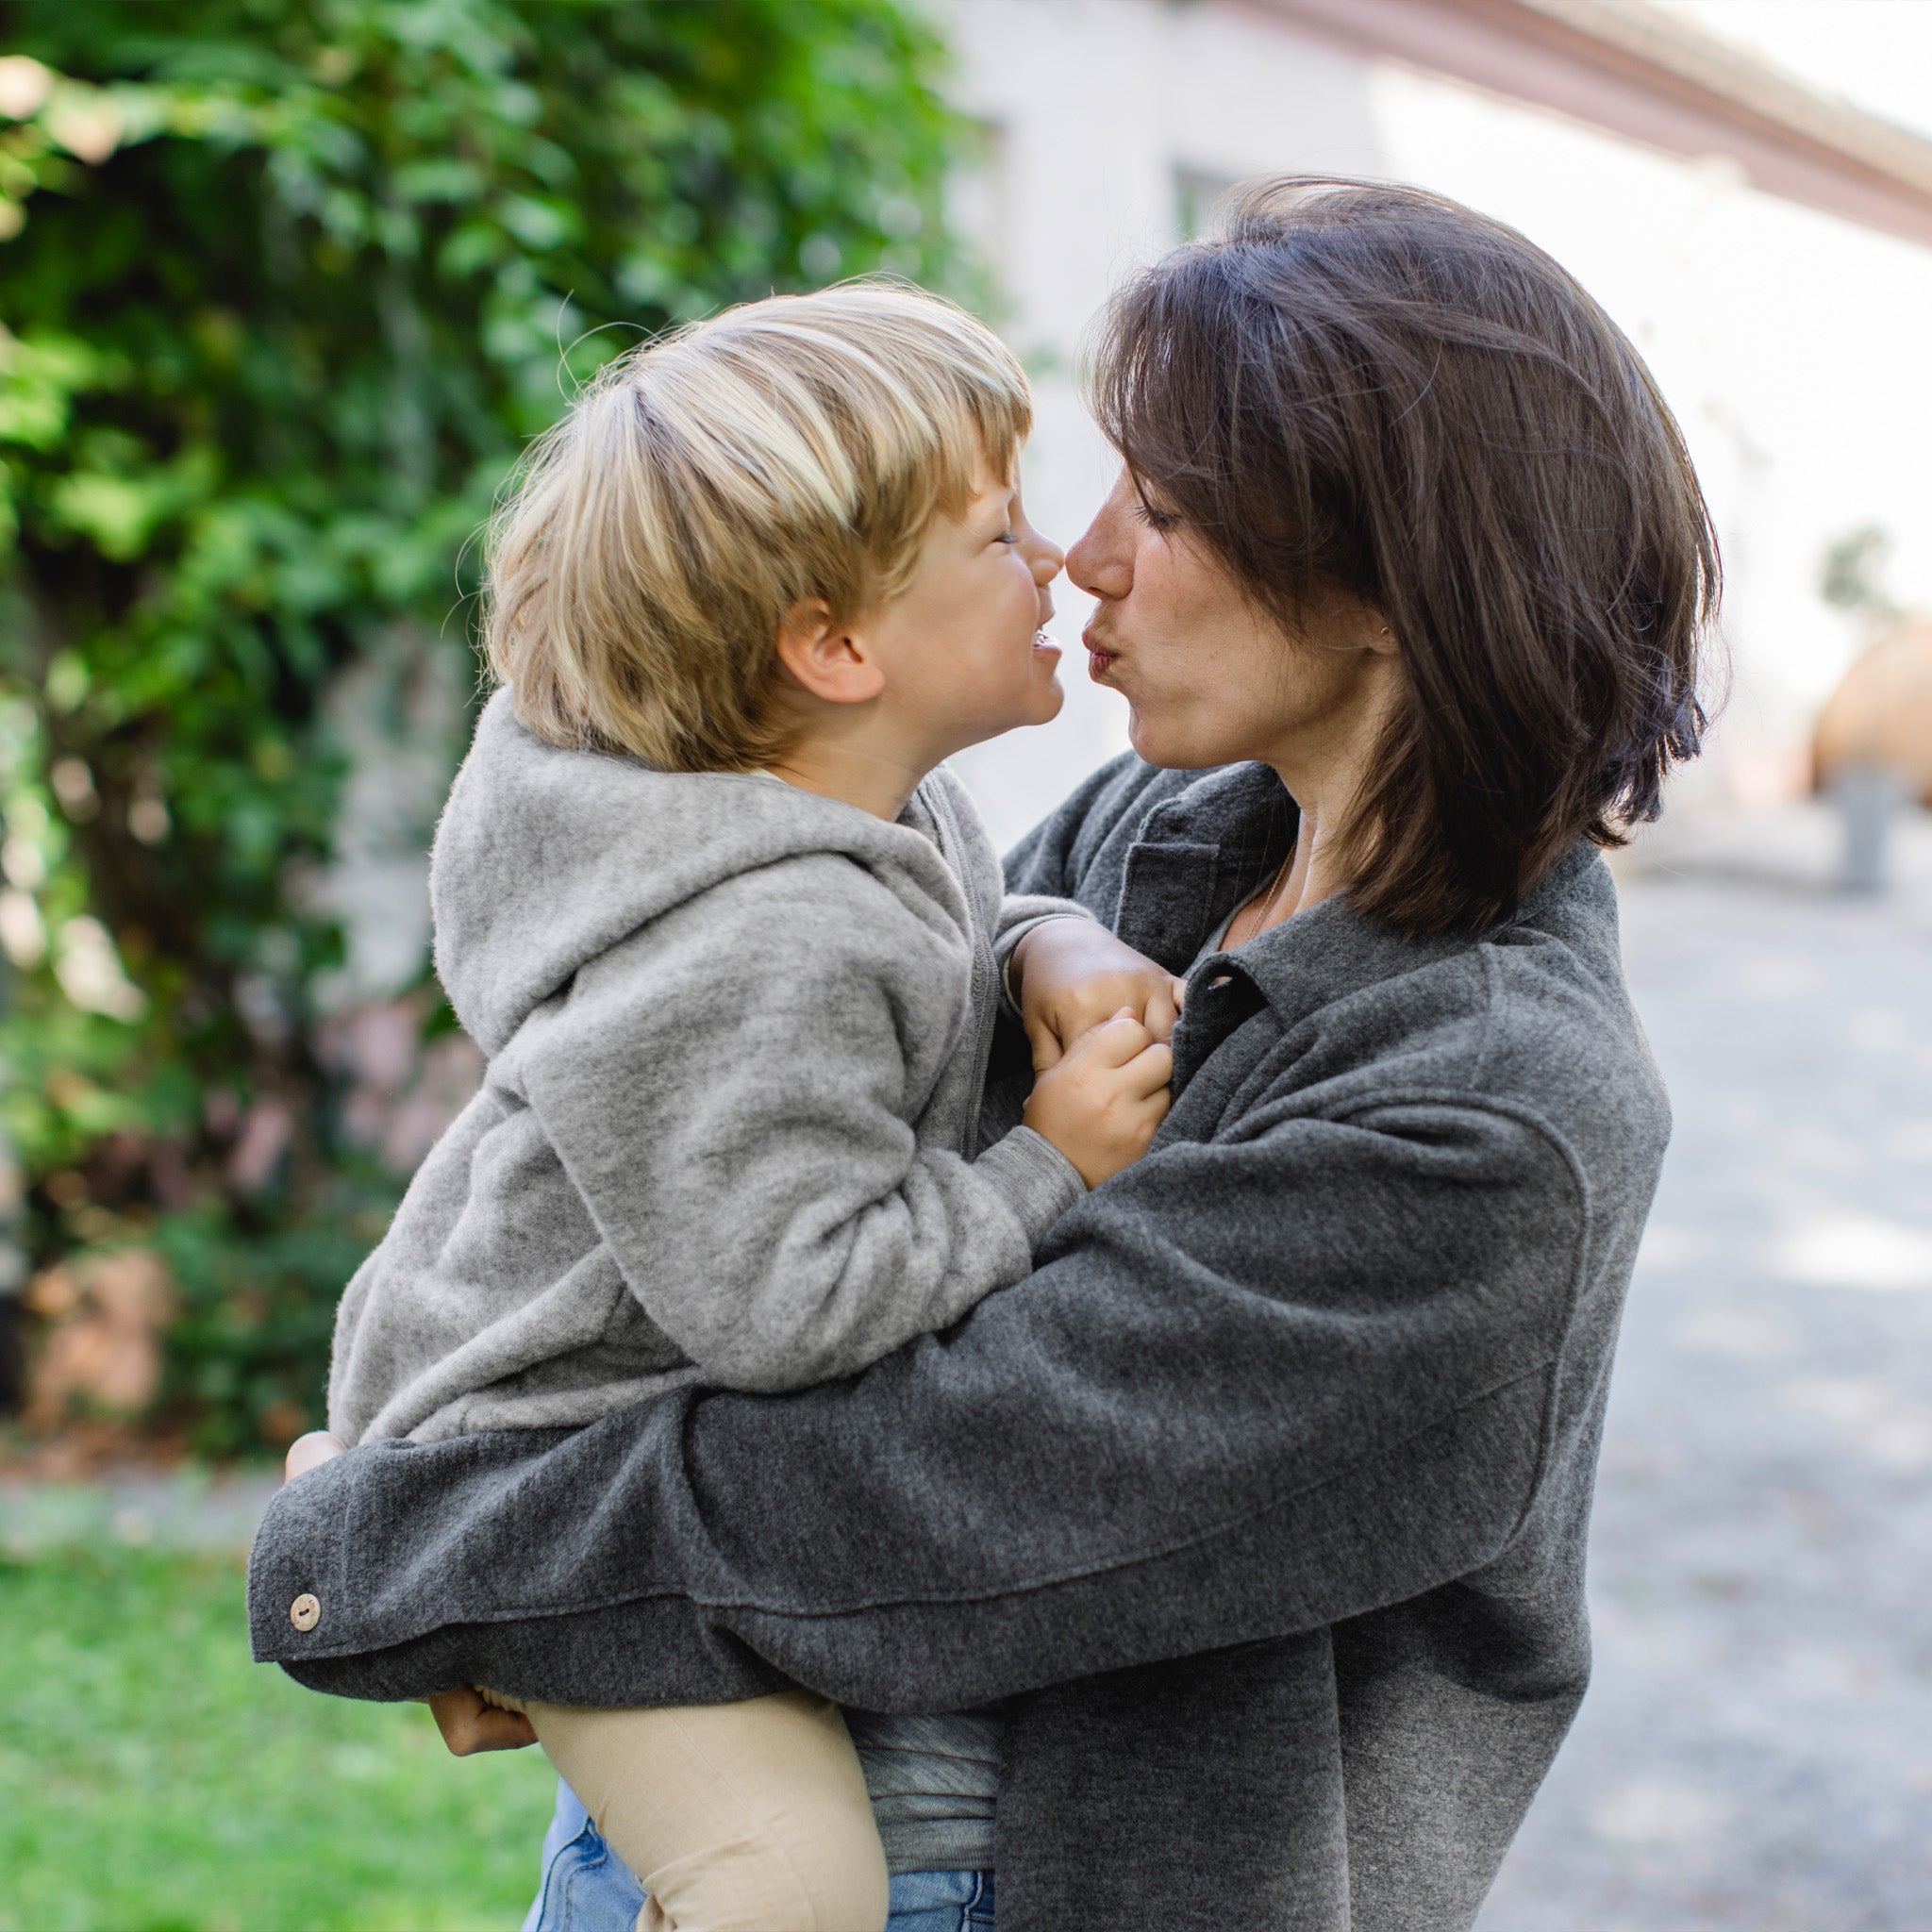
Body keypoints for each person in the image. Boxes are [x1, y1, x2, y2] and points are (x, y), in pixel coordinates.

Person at [253, 176, 1719, 1932]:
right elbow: (781, 1141)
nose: (1084, 557)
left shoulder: (1490, 1112)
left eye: (1163, 506)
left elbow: (918, 1483)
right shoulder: (1157, 833)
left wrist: (411, 1551)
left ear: (1392, 582)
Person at [285, 281, 1181, 1932]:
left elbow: (926, 951)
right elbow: (799, 1305)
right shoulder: (759, 935)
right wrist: (1049, 1166)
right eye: (999, 537)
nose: (1058, 561)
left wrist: (1040, 938)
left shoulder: (852, 814)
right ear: (835, 647)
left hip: (601, 1429)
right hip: (545, 1469)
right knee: (789, 1890)